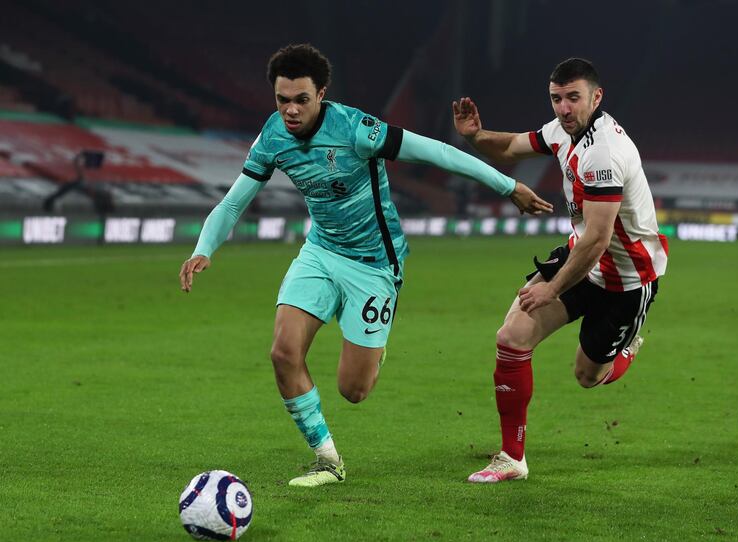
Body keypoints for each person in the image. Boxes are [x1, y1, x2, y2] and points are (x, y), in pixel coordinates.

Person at [179, 44, 553, 487]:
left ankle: (372, 350)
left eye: (301, 99)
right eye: (283, 100)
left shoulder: (357, 129)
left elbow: (437, 153)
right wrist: (204, 247)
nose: (291, 110)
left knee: (353, 391)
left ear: (322, 93)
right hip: (319, 252)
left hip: (374, 264)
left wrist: (508, 185)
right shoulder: (272, 136)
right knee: (283, 352)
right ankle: (328, 461)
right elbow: (234, 201)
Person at [452, 57, 668, 483]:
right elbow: (511, 147)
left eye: (573, 98)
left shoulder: (605, 153)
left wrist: (550, 291)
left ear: (596, 97)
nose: (564, 108)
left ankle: (625, 350)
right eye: (557, 98)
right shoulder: (562, 130)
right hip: (580, 260)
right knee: (511, 336)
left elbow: (598, 240)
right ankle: (512, 458)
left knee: (588, 377)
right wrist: (476, 136)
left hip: (625, 280)